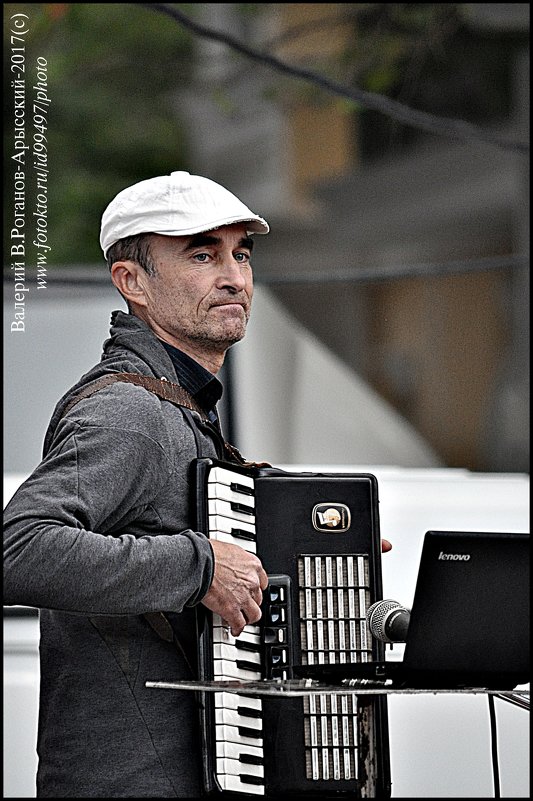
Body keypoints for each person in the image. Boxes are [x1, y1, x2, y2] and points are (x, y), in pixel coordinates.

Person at [4, 170, 392, 798]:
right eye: (202, 254)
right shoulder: (127, 411)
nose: (235, 277)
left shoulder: (182, 410)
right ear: (134, 283)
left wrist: (303, 556)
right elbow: (18, 549)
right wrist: (201, 567)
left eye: (241, 254)